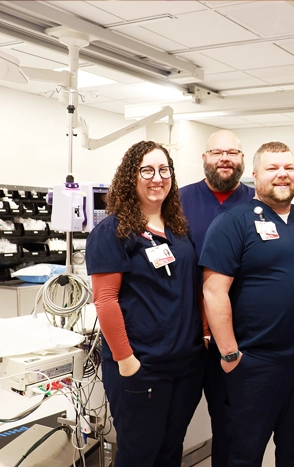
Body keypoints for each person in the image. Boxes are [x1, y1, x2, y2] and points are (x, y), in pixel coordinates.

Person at [200, 141, 294, 467]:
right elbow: (214, 291)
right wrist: (230, 353)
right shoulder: (233, 222)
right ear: (256, 174)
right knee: (243, 456)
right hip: (253, 365)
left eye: (288, 167)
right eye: (273, 168)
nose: (282, 175)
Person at [86, 141, 207, 467]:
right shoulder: (113, 232)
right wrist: (126, 361)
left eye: (164, 170)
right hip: (141, 367)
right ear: (131, 176)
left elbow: (190, 288)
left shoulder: (179, 230)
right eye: (148, 170)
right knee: (139, 456)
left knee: (170, 452)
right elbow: (106, 299)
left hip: (184, 367)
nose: (158, 178)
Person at [179, 129, 254, 467]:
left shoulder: (258, 203)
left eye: (233, 153)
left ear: (243, 160)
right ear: (204, 158)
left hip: (236, 334)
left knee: (230, 425)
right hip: (185, 334)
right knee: (171, 424)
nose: (225, 158)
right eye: (217, 152)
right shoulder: (177, 201)